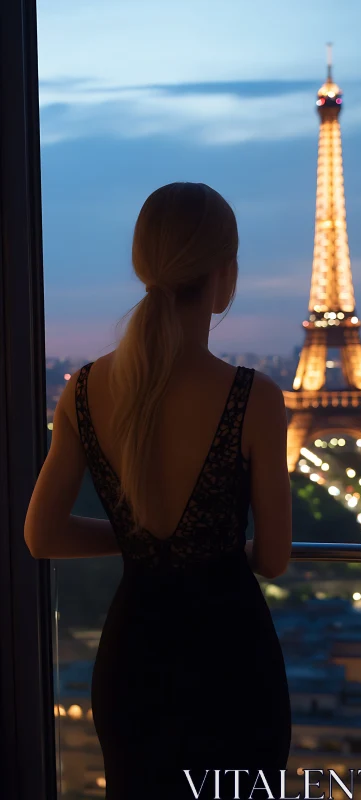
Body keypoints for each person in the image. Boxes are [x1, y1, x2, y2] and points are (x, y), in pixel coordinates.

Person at [25, 182, 292, 799]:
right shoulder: (254, 398)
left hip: (135, 659)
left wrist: (139, 541)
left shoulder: (85, 389)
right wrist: (207, 550)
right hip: (232, 661)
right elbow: (273, 559)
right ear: (224, 274)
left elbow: (43, 536)